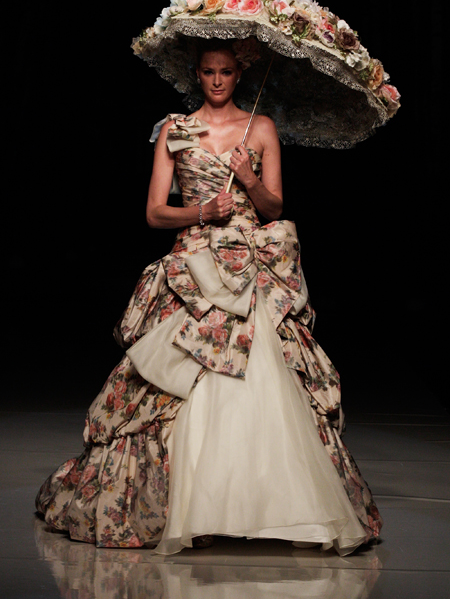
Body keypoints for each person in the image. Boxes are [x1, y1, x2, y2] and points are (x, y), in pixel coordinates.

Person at [36, 39, 382, 555]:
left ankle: (273, 507)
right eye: (207, 72)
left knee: (266, 381)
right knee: (179, 383)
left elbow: (274, 206)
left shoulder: (261, 129)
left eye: (224, 72)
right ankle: (190, 505)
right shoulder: (175, 130)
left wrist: (246, 178)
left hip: (249, 270)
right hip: (195, 267)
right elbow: (154, 213)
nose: (217, 80)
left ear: (238, 74)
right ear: (195, 74)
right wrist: (203, 212)